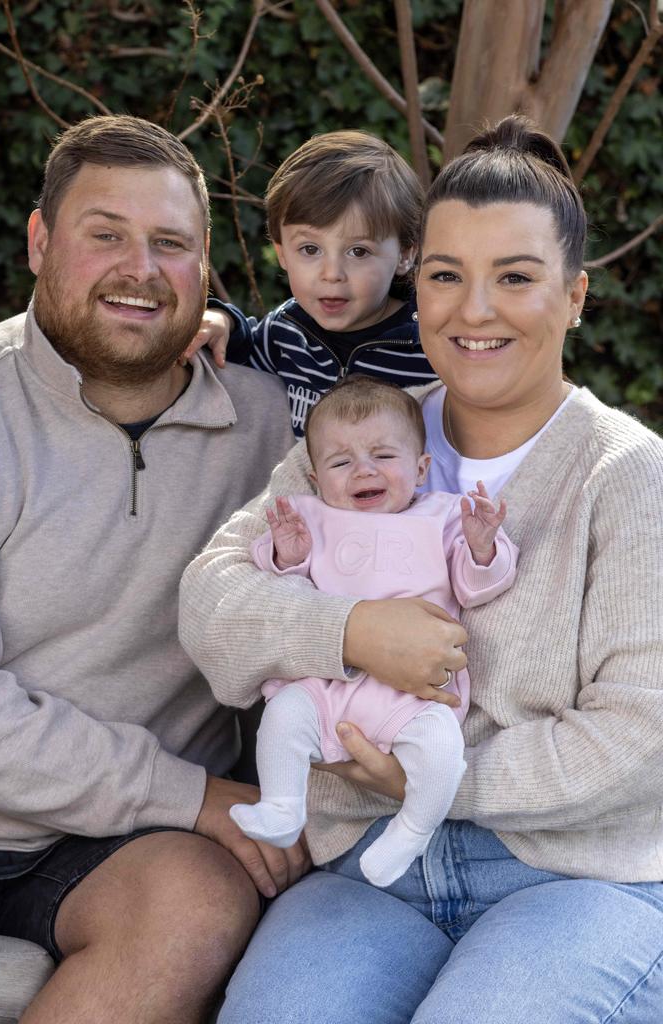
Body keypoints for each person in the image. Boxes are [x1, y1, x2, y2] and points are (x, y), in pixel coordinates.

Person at [179, 114, 663, 1023]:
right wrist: (351, 631)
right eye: (446, 275)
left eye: (515, 278)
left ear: (576, 297)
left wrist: (437, 780)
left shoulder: (625, 474)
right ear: (417, 282)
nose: (472, 310)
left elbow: (645, 732)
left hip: (573, 875)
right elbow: (212, 601)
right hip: (368, 871)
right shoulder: (366, 438)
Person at [0, 114, 303, 1024]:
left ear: (204, 270)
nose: (140, 268)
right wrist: (196, 797)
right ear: (41, 242)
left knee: (197, 904)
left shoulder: (271, 428)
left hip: (122, 844)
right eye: (105, 234)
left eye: (170, 244)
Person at [228, 376, 517, 888]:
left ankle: (411, 830)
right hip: (328, 685)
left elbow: (477, 590)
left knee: (442, 753)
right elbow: (279, 588)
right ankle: (281, 804)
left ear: (421, 469)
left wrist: (481, 548)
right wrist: (286, 556)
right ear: (316, 478)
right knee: (284, 715)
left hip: (414, 694)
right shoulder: (310, 517)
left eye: (384, 456)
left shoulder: (444, 515)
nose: (363, 470)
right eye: (341, 463)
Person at [183, 131, 437, 436]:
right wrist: (224, 321)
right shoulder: (287, 332)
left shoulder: (429, 350)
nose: (331, 273)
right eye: (310, 249)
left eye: (359, 251)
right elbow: (241, 348)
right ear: (282, 253)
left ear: (405, 254)